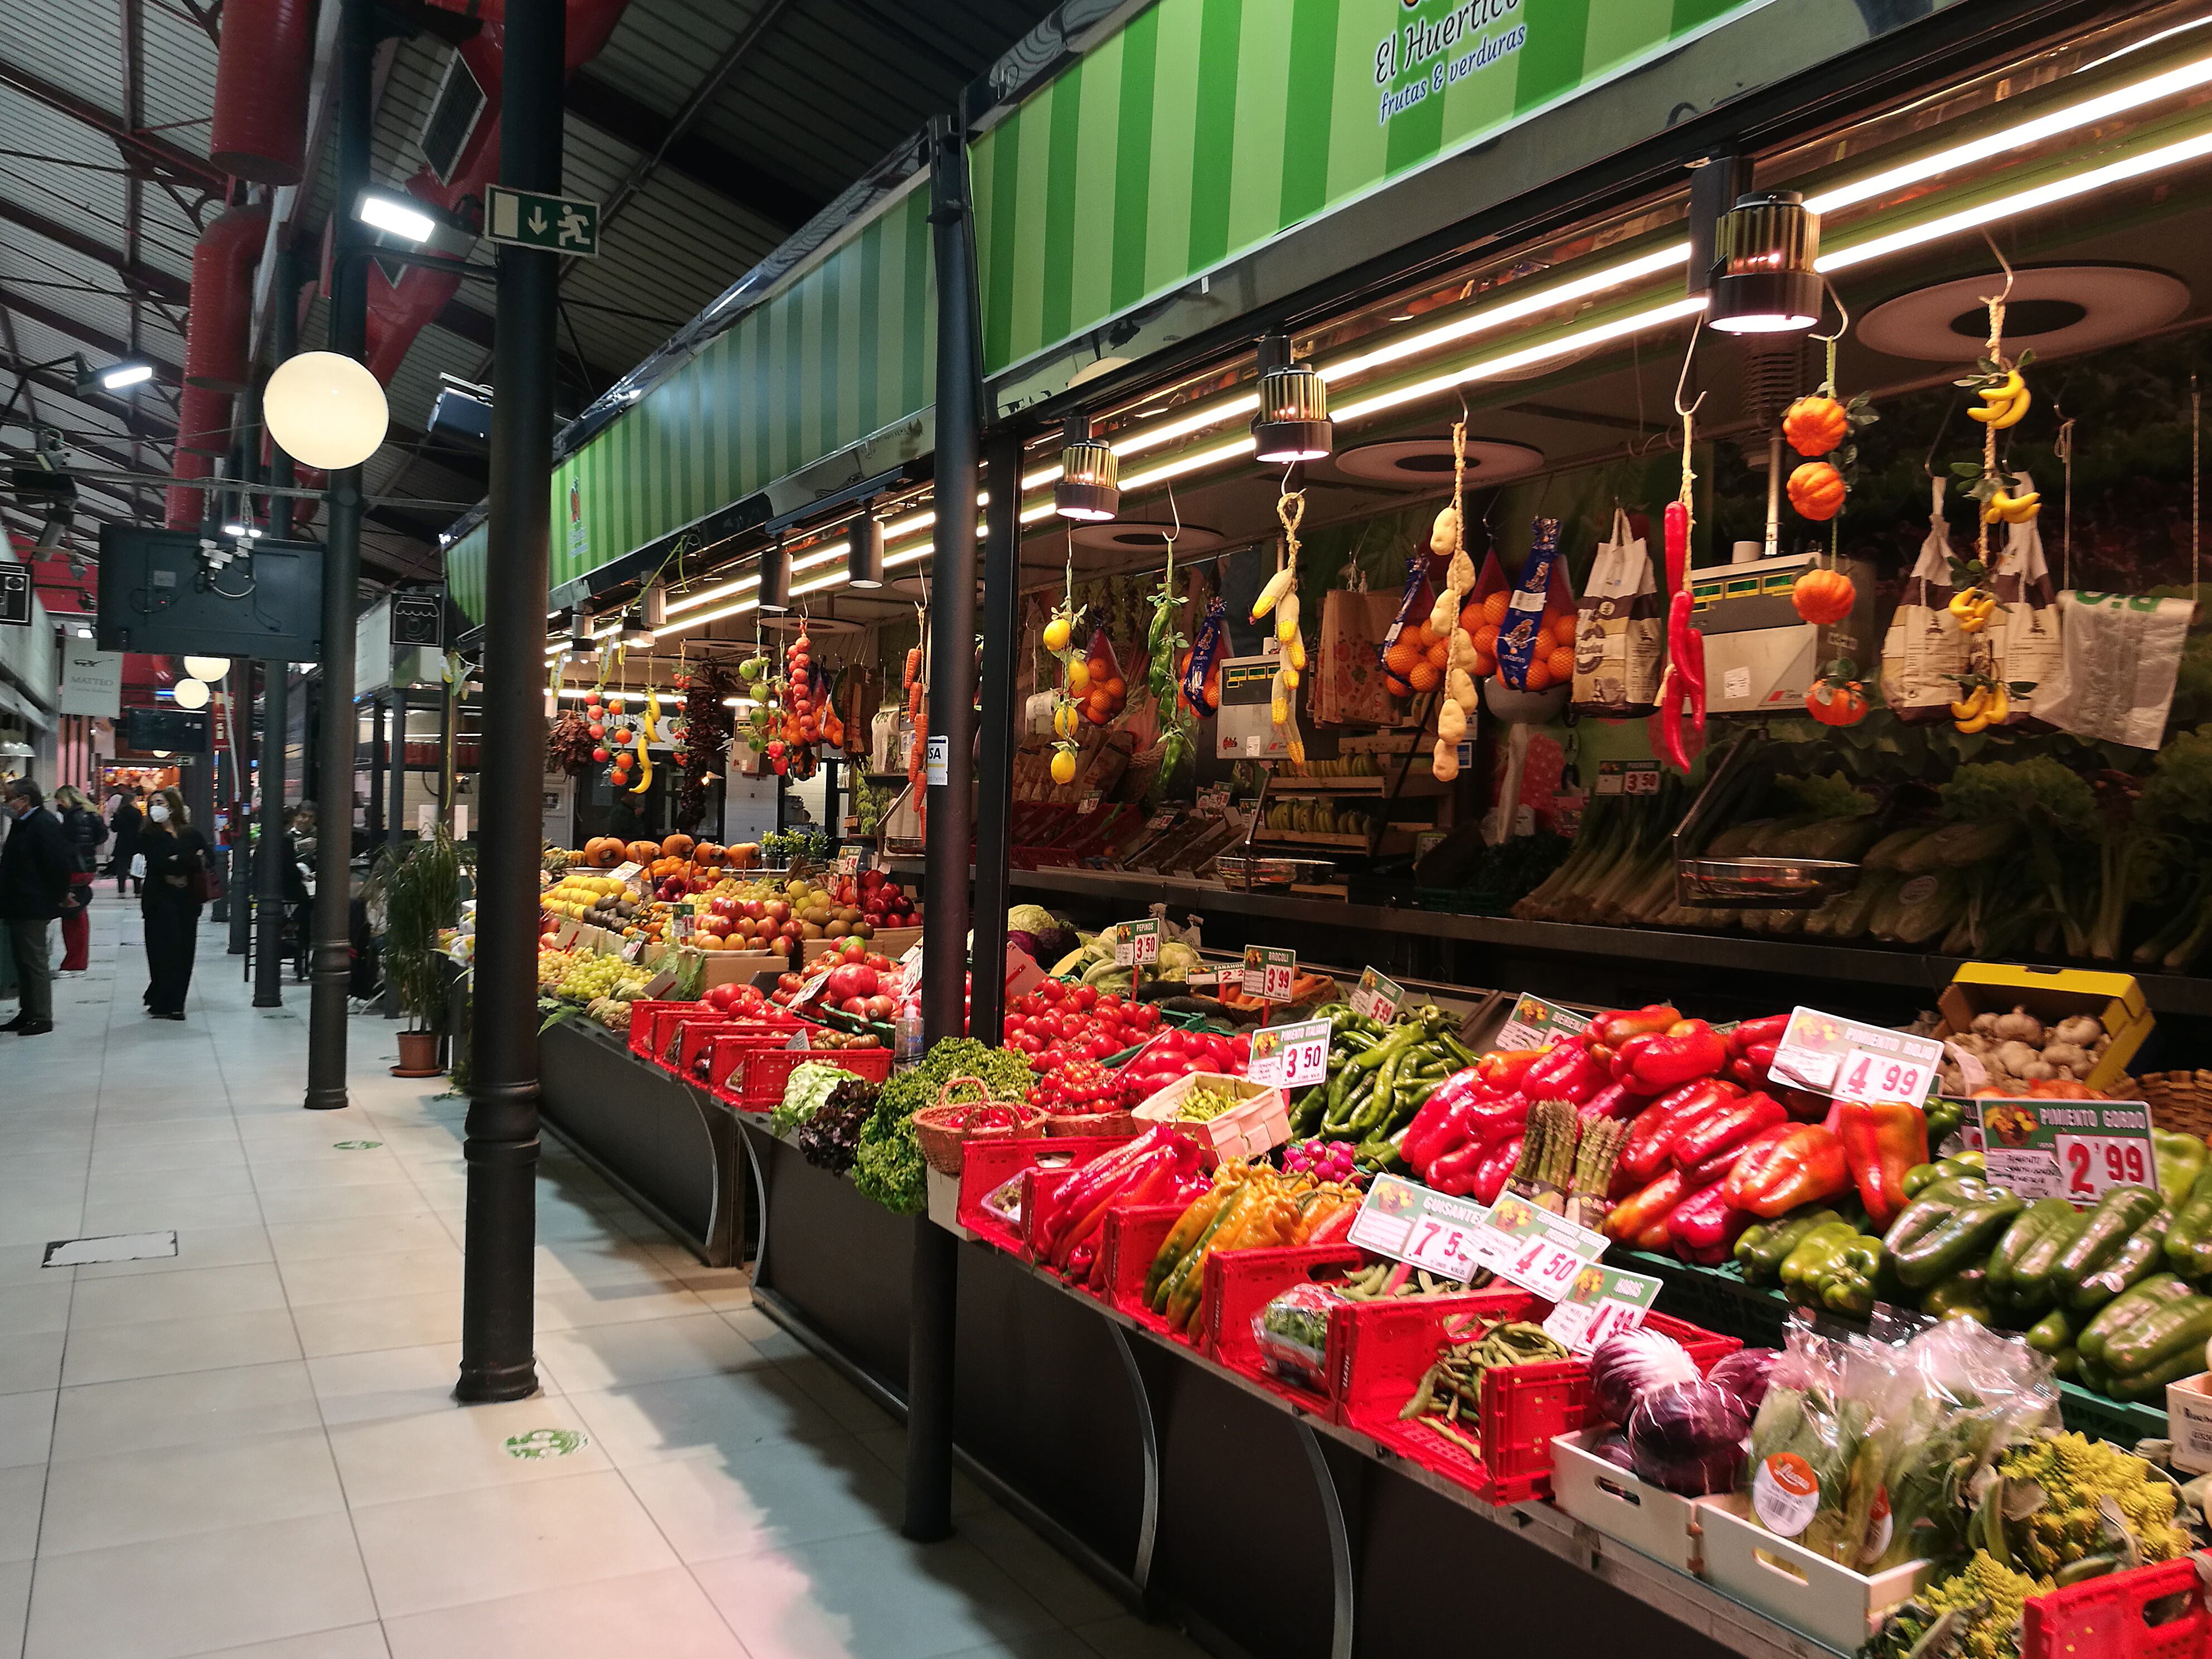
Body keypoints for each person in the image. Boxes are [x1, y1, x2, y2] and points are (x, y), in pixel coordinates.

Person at [0, 779, 79, 1036]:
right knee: (22, 960)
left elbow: (57, 863)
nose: (7, 803)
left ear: (25, 799)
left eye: (10, 798)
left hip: (34, 903)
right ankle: (27, 1011)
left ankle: (42, 1016)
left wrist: (59, 895)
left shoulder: (44, 823)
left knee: (34, 960)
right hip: (18, 902)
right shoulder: (23, 823)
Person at [138, 787, 210, 1021]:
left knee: (184, 950)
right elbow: (157, 862)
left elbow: (207, 858)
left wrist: (180, 861)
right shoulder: (149, 834)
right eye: (152, 804)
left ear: (172, 805)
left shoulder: (189, 833)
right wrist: (185, 860)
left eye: (160, 802)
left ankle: (177, 1003)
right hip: (159, 901)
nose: (155, 807)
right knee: (162, 951)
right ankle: (162, 997)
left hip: (187, 901)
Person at [51, 785, 105, 973]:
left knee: (72, 915)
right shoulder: (92, 814)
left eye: (59, 801)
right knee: (78, 913)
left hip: (74, 869)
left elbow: (65, 846)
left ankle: (75, 963)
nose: (58, 805)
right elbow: (101, 837)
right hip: (87, 868)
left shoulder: (71, 818)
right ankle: (77, 961)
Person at [109, 790, 142, 895]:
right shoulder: (137, 813)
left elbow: (114, 828)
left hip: (123, 842)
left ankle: (121, 890)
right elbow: (141, 827)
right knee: (136, 866)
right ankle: (137, 890)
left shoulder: (119, 813)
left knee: (122, 868)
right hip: (136, 842)